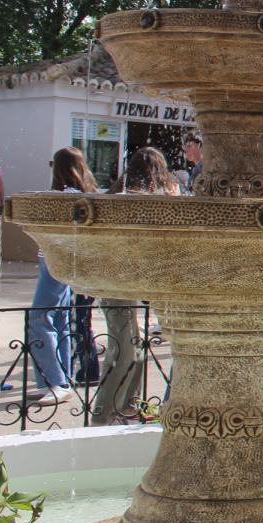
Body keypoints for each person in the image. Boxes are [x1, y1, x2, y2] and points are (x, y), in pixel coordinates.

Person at [93, 147, 174, 424]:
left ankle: (128, 405)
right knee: (123, 349)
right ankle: (103, 417)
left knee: (135, 346)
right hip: (114, 283)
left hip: (121, 282)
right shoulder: (130, 198)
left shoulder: (125, 196)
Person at [26, 147, 99, 406]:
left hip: (55, 260)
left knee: (39, 317)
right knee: (59, 318)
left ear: (58, 169)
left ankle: (55, 382)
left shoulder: (62, 197)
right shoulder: (83, 196)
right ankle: (60, 380)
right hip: (66, 262)